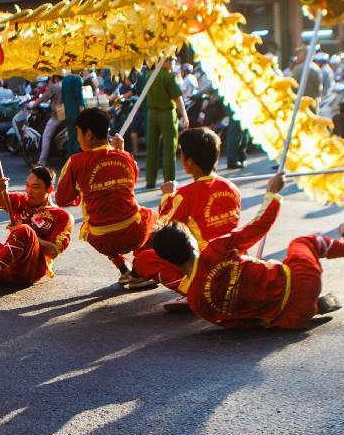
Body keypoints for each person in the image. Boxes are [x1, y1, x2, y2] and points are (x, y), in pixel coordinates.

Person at [151, 174, 344, 329]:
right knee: (303, 243)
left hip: (288, 319)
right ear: (191, 242)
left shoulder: (196, 302)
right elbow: (259, 226)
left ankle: (312, 306)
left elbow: (237, 323)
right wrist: (272, 194)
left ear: (169, 261)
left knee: (273, 306)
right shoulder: (216, 248)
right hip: (300, 281)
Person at [127, 128, 241, 290]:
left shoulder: (186, 195)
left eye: (181, 152)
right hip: (233, 260)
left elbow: (163, 227)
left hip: (204, 263)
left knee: (144, 260)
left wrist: (168, 195)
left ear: (189, 162)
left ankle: (191, 289)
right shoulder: (231, 188)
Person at [56, 108, 157, 278]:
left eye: (78, 133)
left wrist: (83, 192)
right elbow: (131, 182)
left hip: (101, 239)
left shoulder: (75, 162)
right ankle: (139, 270)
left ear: (89, 135)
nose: (78, 137)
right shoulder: (126, 157)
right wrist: (121, 151)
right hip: (135, 234)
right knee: (151, 214)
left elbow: (62, 199)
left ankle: (122, 266)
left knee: (89, 222)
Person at [145, 58, 189, 189]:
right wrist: (185, 115)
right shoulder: (168, 77)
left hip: (152, 114)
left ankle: (150, 180)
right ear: (163, 61)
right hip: (166, 114)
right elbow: (177, 97)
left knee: (151, 148)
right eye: (171, 60)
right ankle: (169, 180)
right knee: (169, 148)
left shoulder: (148, 75)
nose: (173, 62)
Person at [37, 74, 64, 166]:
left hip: (58, 114)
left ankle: (42, 160)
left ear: (55, 78)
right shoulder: (67, 85)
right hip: (69, 113)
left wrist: (33, 105)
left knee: (46, 136)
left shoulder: (55, 87)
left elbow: (43, 98)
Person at [62, 71, 86, 157]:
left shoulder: (65, 79)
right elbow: (79, 97)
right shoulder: (77, 79)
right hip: (76, 113)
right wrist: (83, 113)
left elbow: (63, 96)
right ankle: (75, 158)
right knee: (77, 136)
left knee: (71, 135)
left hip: (67, 112)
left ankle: (70, 158)